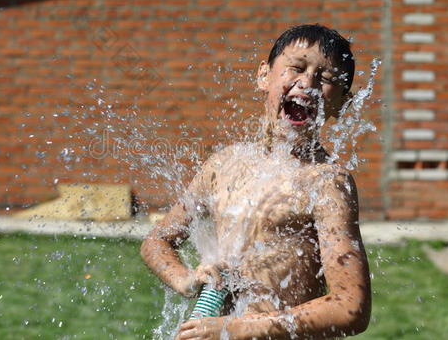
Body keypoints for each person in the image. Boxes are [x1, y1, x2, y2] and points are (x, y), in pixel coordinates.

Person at [140, 24, 371, 339]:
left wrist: (235, 329)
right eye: (297, 67)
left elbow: (350, 307)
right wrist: (186, 279)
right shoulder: (223, 165)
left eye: (327, 78)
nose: (308, 83)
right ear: (264, 75)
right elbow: (157, 241)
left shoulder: (327, 183)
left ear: (342, 104)